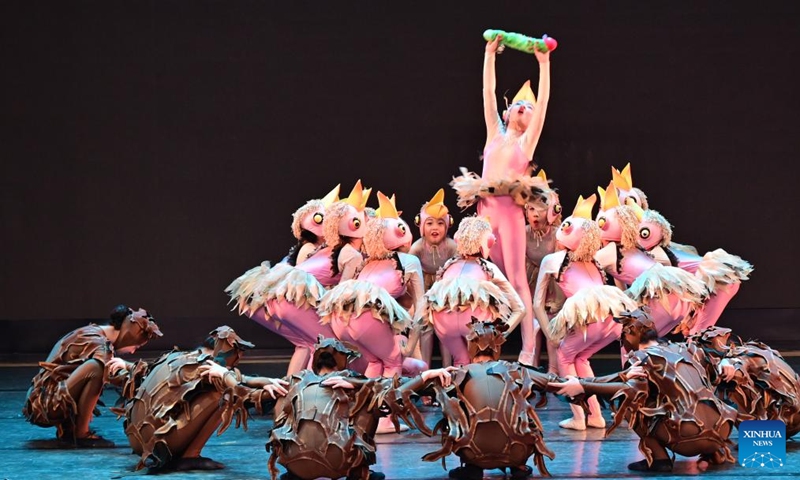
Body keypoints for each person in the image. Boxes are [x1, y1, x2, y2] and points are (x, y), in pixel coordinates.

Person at [450, 33, 551, 365]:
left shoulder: (525, 144)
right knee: (482, 272)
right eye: (519, 105)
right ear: (508, 113)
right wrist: (489, 54)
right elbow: (487, 93)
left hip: (508, 215)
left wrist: (544, 64)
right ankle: (477, 345)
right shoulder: (494, 133)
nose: (523, 108)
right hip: (484, 212)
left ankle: (528, 349)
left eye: (528, 108)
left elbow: (544, 105)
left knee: (517, 277)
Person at [550, 310, 737, 472]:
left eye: (624, 333)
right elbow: (723, 349)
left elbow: (626, 389)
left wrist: (583, 386)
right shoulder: (685, 348)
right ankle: (714, 453)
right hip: (722, 430)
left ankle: (658, 458)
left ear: (631, 334)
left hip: (688, 437)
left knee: (631, 402)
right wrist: (728, 360)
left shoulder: (640, 358)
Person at [227, 181, 370, 374]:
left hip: (270, 299)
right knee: (326, 345)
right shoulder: (316, 250)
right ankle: (316, 390)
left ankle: (292, 389)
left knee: (306, 344)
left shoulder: (325, 250)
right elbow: (308, 282)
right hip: (285, 299)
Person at [268, 335, 453, 480]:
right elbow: (395, 388)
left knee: (282, 398)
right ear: (342, 361)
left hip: (294, 462)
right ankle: (358, 471)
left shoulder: (293, 381)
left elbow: (245, 389)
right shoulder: (357, 383)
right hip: (340, 462)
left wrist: (265, 383)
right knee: (371, 398)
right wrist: (424, 377)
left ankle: (295, 472)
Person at [120, 326, 289, 471]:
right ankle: (190, 456)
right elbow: (242, 392)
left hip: (139, 441)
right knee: (222, 394)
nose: (239, 358)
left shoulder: (186, 357)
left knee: (221, 386)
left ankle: (184, 454)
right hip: (157, 444)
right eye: (236, 352)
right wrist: (280, 390)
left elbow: (243, 378)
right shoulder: (205, 367)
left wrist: (270, 382)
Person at [534, 194, 638, 430]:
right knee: (580, 358)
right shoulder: (595, 263)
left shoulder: (553, 260)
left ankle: (579, 417)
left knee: (564, 356)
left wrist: (551, 334)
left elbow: (537, 303)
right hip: (613, 322)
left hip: (590, 319)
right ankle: (596, 416)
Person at [417, 319, 557, 480]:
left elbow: (398, 391)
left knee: (455, 412)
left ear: (471, 346)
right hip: (516, 451)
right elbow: (558, 383)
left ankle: (472, 466)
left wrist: (426, 375)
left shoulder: (455, 375)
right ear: (497, 347)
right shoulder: (517, 370)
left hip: (471, 452)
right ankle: (517, 465)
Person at [23, 305, 162, 447]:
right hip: (44, 406)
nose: (133, 352)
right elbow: (117, 376)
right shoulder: (98, 343)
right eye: (136, 346)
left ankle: (70, 430)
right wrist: (136, 369)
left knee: (95, 369)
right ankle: (81, 434)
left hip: (46, 399)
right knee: (97, 368)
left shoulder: (94, 332)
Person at [593, 185, 707, 336]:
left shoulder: (608, 253)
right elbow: (623, 284)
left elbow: (589, 274)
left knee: (632, 341)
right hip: (680, 301)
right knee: (645, 345)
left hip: (662, 302)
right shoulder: (638, 249)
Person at [634, 204, 753, 336]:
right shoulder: (666, 249)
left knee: (697, 334)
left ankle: (695, 347)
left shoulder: (657, 253)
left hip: (717, 277)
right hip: (717, 279)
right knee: (696, 331)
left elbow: (675, 279)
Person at [425, 216, 524, 367]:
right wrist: (500, 334)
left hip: (443, 323)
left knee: (461, 362)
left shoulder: (448, 265)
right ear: (488, 242)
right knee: (481, 365)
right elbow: (520, 309)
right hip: (475, 321)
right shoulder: (488, 267)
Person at [688, 326, 800, 437]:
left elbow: (741, 363)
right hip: (782, 423)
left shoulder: (748, 355)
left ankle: (757, 435)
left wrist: (727, 363)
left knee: (728, 382)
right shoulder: (754, 351)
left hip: (786, 420)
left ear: (726, 337)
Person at [409, 188, 457, 367]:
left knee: (445, 330)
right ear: (421, 226)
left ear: (447, 225)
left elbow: (458, 269)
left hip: (444, 289)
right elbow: (411, 275)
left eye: (440, 223)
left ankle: (448, 368)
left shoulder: (452, 246)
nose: (435, 228)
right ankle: (424, 368)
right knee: (425, 330)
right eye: (429, 223)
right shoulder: (417, 248)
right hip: (424, 290)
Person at [523, 169, 563, 372]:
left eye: (540, 208)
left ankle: (554, 370)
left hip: (552, 283)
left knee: (552, 324)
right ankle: (531, 368)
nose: (535, 214)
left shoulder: (559, 234)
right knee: (532, 326)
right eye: (531, 209)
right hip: (531, 282)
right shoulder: (523, 233)